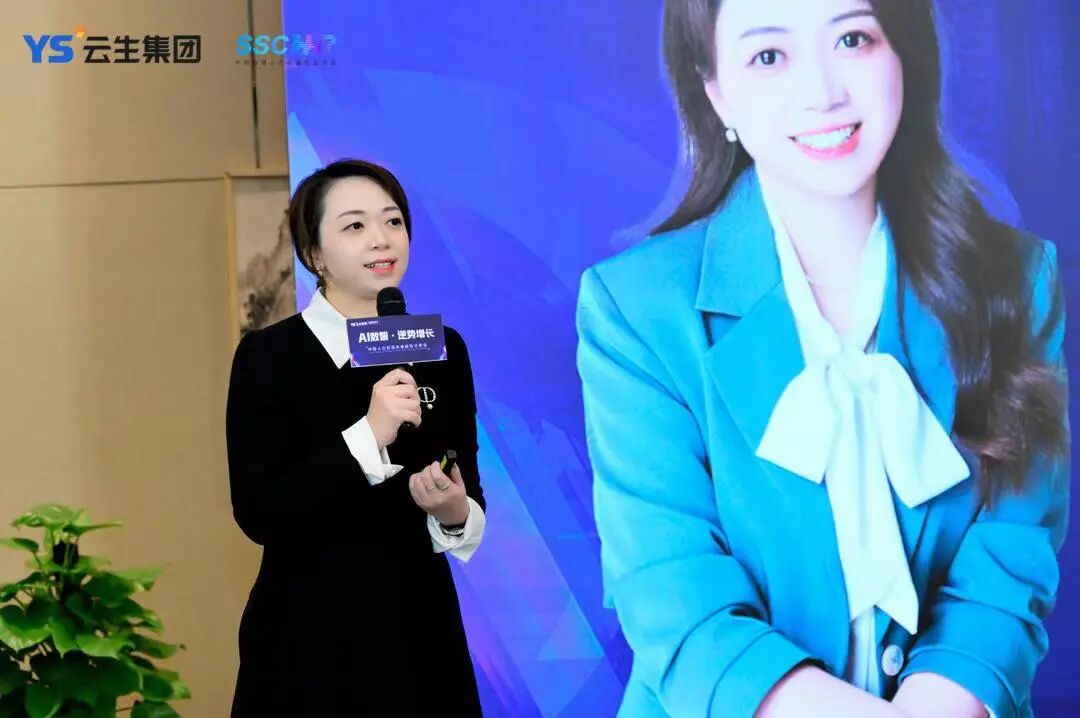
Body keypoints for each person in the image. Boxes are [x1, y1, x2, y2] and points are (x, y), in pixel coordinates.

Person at [576, 1, 1069, 717]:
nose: (823, 92)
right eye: (769, 56)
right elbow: (674, 599)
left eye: (853, 38)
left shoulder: (1017, 281)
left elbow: (1012, 549)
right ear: (715, 91)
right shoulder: (636, 308)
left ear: (903, 53)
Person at [226, 159, 486, 716]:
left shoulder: (442, 348)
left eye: (393, 221)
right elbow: (260, 511)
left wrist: (452, 509)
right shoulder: (269, 357)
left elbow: (467, 491)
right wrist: (367, 435)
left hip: (420, 635)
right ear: (314, 254)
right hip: (308, 642)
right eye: (355, 226)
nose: (381, 239)